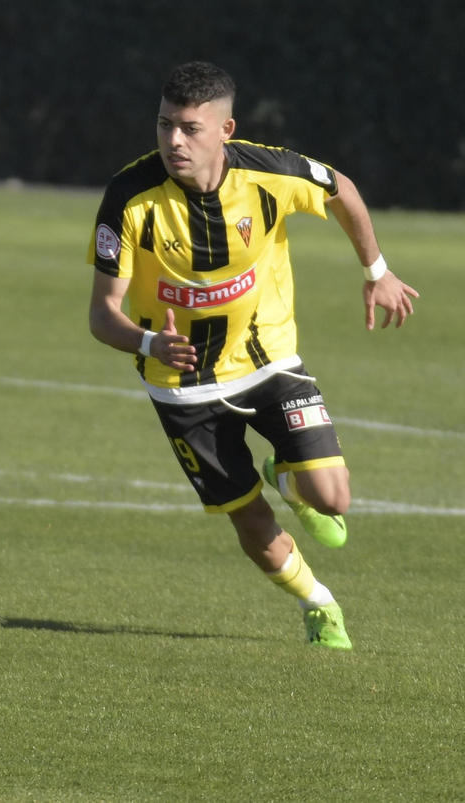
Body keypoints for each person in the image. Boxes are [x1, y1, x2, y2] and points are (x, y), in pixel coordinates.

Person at [87, 62, 418, 649]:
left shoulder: (270, 171)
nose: (173, 141)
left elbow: (341, 189)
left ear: (226, 129)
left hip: (269, 362)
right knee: (249, 519)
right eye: (164, 125)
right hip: (182, 387)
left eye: (190, 128)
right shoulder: (129, 197)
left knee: (332, 498)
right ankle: (320, 605)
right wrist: (146, 342)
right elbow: (102, 314)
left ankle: (288, 480)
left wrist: (377, 271)